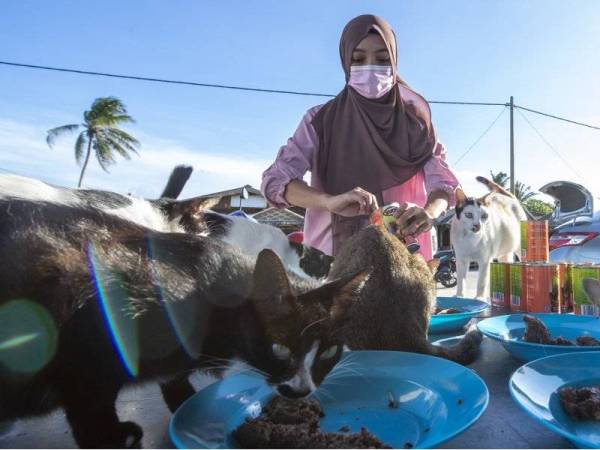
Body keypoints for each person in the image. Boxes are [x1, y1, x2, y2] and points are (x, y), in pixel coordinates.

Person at [261, 14, 459, 260]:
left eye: (382, 58)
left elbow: (443, 184)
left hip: (404, 262)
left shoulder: (416, 122)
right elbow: (276, 181)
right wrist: (328, 201)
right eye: (359, 59)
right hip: (330, 263)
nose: (371, 67)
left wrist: (429, 212)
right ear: (346, 63)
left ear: (394, 62)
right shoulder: (320, 120)